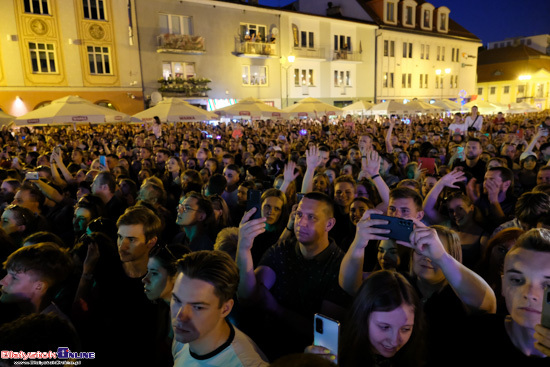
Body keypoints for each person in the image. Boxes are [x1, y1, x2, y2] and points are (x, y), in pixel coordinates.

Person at [236, 192, 351, 359]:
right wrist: (244, 248)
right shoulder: (282, 249)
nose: (301, 222)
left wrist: (277, 310)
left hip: (307, 358)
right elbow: (248, 296)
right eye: (299, 214)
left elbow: (324, 333)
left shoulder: (340, 265)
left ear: (329, 224)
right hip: (266, 349)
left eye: (312, 217)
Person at [451, 228, 550, 365]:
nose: (530, 293)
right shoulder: (474, 334)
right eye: (517, 280)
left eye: (547, 285)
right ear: (503, 285)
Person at [171, 250, 269, 367]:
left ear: (225, 309)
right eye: (177, 300)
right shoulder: (183, 336)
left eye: (197, 307)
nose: (180, 316)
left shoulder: (245, 364)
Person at [309, 270, 426, 367]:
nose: (395, 341)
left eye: (405, 329)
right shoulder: (340, 350)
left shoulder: (417, 353)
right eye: (384, 327)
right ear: (363, 317)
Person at [0, 243, 73, 323]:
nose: (2, 281)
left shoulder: (52, 328)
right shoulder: (19, 313)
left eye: (14, 278)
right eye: (7, 273)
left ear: (39, 287)